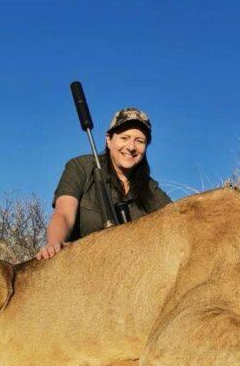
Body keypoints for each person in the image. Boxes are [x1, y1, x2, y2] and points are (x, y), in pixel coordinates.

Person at [36, 108, 172, 260]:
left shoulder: (151, 189)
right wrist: (55, 242)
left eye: (139, 141)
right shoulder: (81, 168)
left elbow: (175, 219)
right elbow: (64, 214)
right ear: (109, 139)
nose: (131, 147)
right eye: (124, 138)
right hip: (84, 263)